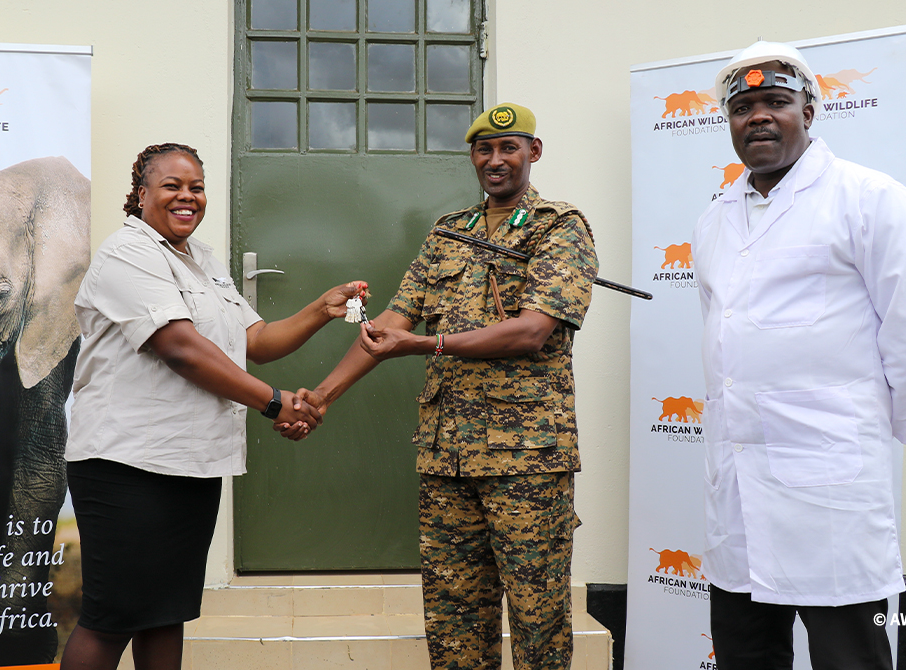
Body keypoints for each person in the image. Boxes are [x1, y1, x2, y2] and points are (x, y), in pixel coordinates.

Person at [277, 104, 599, 670]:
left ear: (534, 151)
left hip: (526, 459)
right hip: (446, 459)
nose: (495, 160)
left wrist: (431, 346)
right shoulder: (452, 232)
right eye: (484, 149)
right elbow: (393, 325)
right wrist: (325, 395)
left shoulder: (559, 225)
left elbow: (531, 330)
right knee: (454, 621)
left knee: (537, 620)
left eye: (509, 148)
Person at [691, 42, 906, 669]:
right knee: (746, 653)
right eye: (743, 106)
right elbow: (723, 333)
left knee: (849, 657)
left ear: (809, 112)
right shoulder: (714, 220)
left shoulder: (869, 199)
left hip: (831, 484)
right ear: (728, 122)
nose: (758, 116)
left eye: (776, 102)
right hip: (736, 483)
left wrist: (874, 424)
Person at [60, 142, 367, 670]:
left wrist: (321, 308)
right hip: (125, 463)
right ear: (141, 194)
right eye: (171, 186)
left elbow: (257, 340)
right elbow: (180, 348)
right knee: (114, 617)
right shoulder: (127, 254)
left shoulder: (201, 261)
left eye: (196, 187)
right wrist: (274, 402)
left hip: (190, 462)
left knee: (166, 611)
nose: (187, 197)